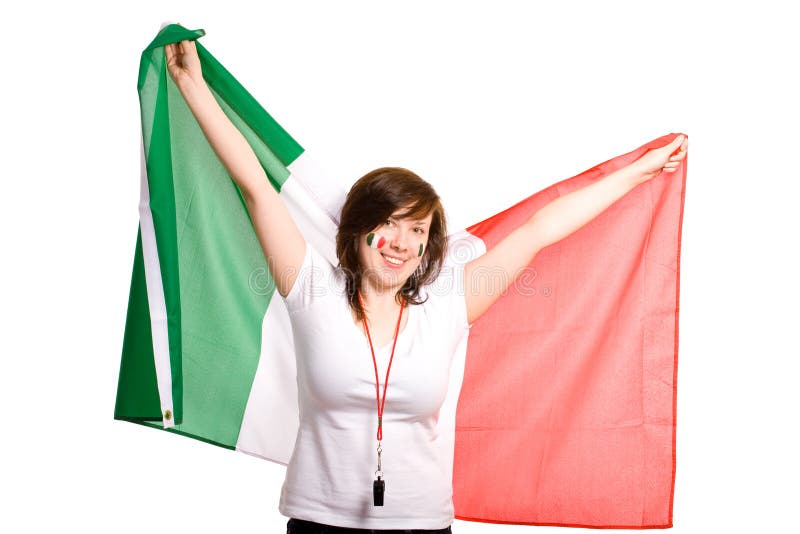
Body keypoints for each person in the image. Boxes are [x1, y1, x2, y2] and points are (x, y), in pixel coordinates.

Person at [164, 38, 688, 534]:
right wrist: (193, 86)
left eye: (417, 230)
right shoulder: (309, 291)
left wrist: (639, 174)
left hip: (421, 525)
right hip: (318, 523)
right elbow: (256, 187)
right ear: (358, 230)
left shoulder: (447, 306)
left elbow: (538, 232)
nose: (400, 241)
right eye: (388, 223)